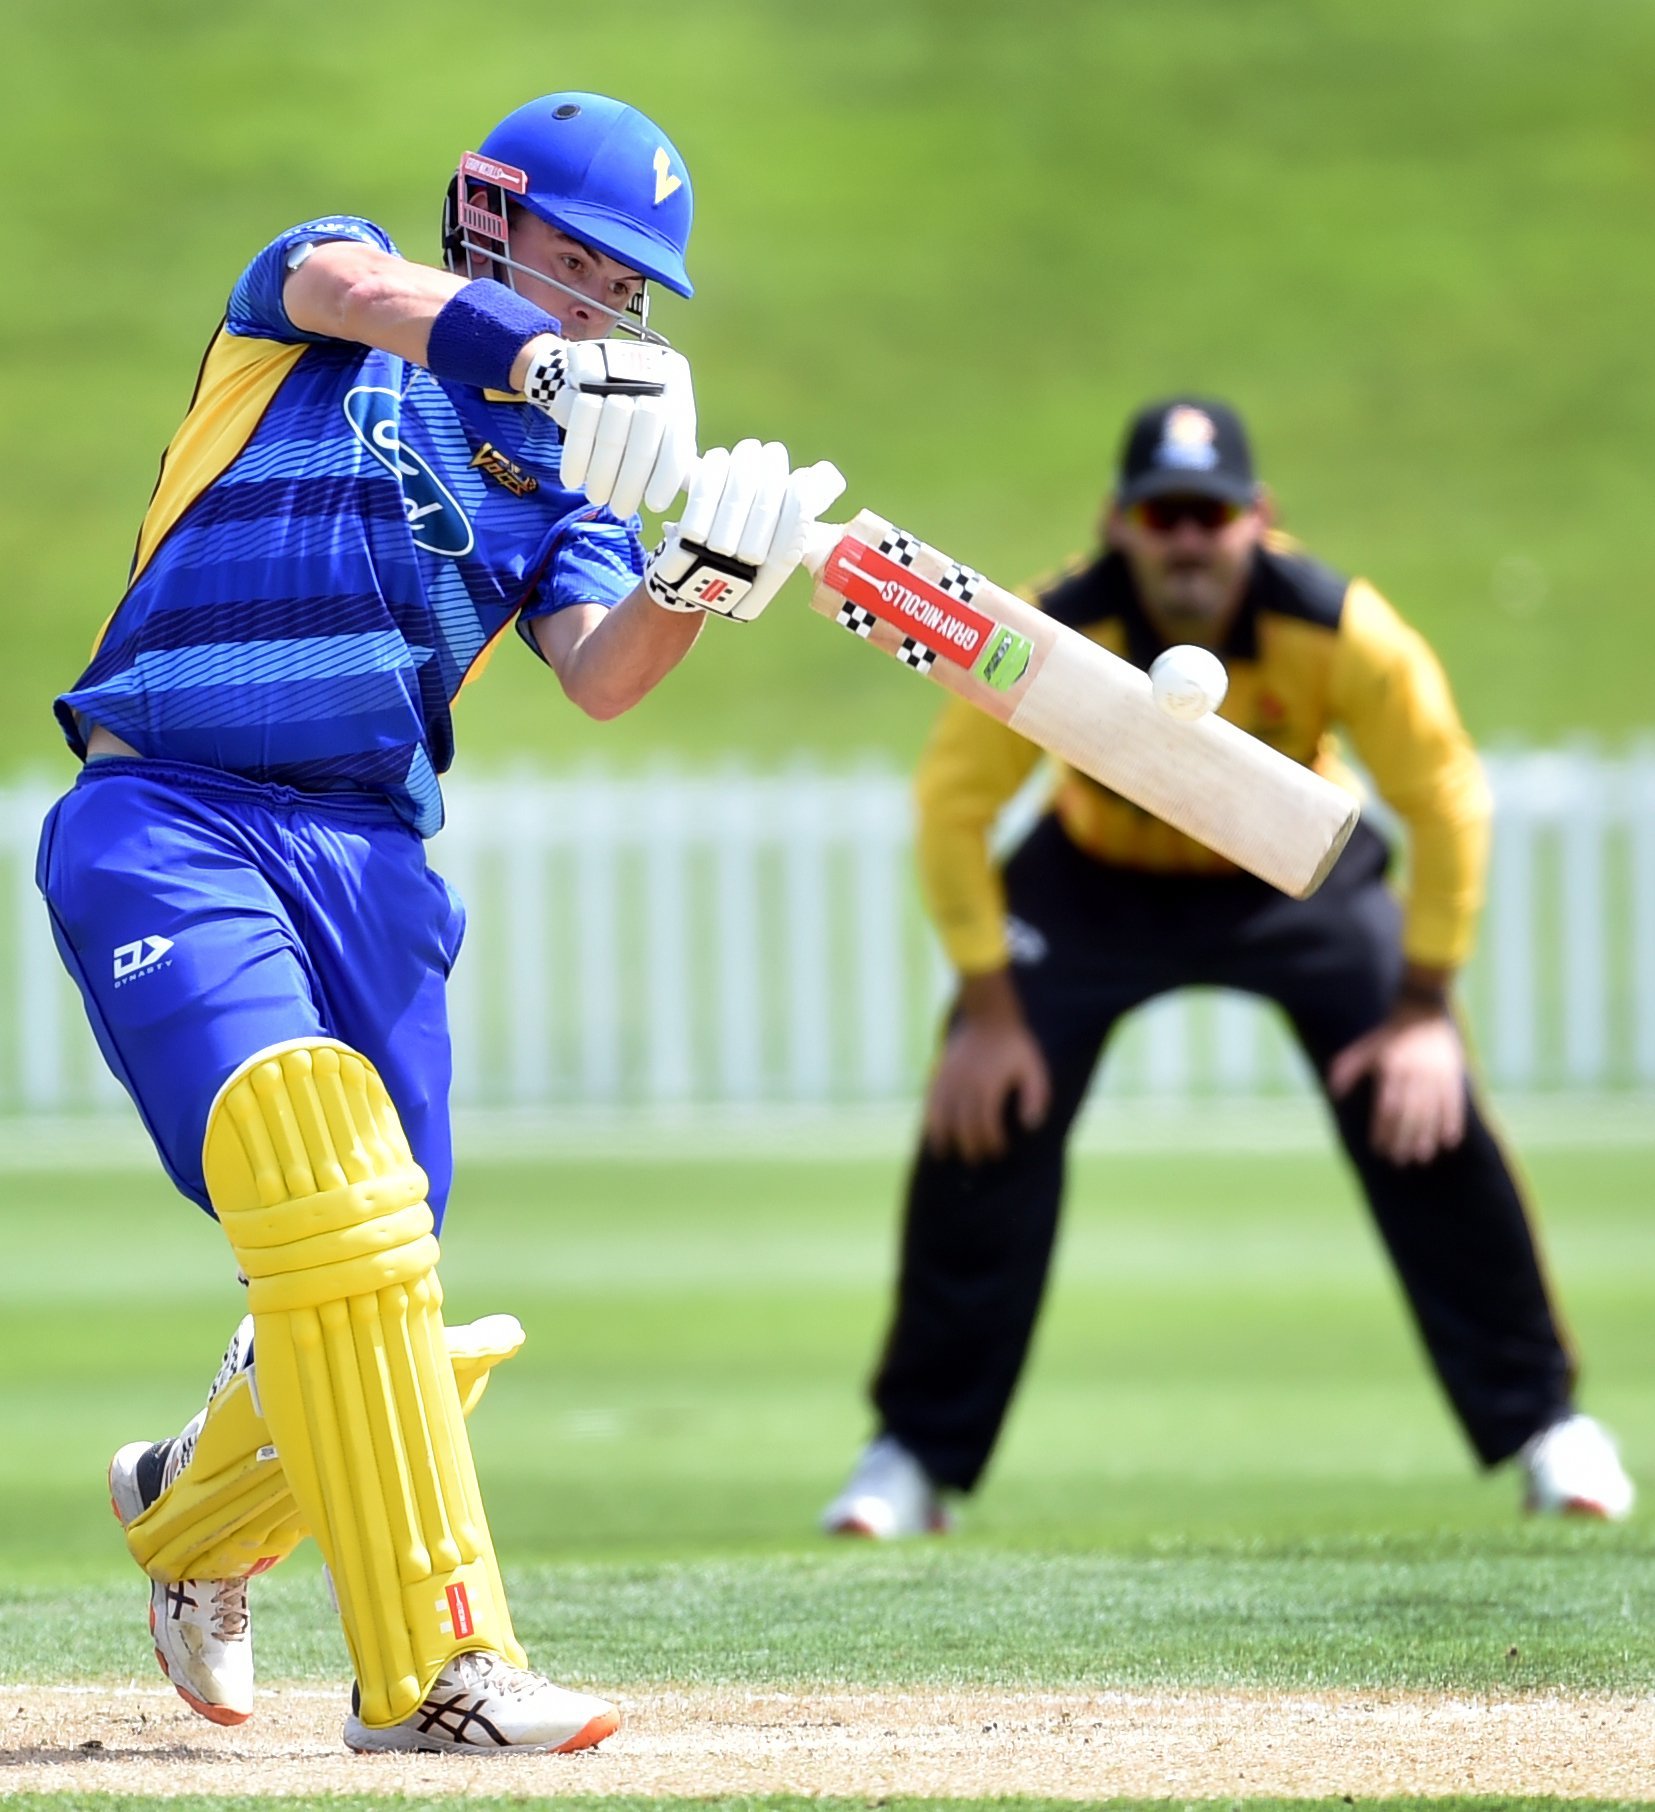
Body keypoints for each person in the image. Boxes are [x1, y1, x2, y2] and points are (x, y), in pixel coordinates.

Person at [38, 91, 842, 1754]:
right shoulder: (322, 295)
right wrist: (529, 354)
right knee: (317, 1175)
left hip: (374, 866)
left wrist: (692, 576)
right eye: (581, 268)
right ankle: (437, 1672)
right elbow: (360, 290)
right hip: (169, 811)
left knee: (374, 1292)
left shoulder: (561, 478)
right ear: (486, 214)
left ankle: (190, 1518)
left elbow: (606, 674)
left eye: (630, 299)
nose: (602, 313)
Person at [820, 396, 1633, 1539]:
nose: (1186, 539)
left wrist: (1422, 1007)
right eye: (1161, 514)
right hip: (1094, 879)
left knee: (1420, 1104)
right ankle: (913, 1454)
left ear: (1260, 519)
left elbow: (1444, 795)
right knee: (983, 1114)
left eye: (1211, 514)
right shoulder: (1052, 628)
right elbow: (953, 804)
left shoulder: (1334, 625)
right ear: (1117, 523)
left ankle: (1546, 1426)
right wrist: (988, 1009)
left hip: (1288, 871)